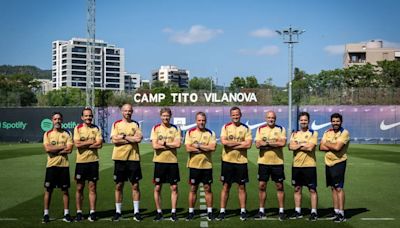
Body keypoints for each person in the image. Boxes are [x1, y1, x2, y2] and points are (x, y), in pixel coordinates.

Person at [216, 107, 252, 221]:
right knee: (226, 186)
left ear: (240, 115)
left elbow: (248, 145)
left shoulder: (246, 128)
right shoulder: (225, 127)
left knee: (241, 187)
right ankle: (222, 211)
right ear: (230, 116)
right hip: (227, 161)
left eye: (237, 114)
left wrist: (233, 144)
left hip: (241, 162)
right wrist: (240, 143)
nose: (235, 116)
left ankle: (243, 210)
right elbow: (224, 143)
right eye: (233, 115)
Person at [110, 104, 143, 222]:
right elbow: (114, 140)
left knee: (135, 185)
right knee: (119, 185)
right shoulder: (116, 124)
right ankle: (118, 212)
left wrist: (122, 137)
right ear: (122, 112)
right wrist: (130, 138)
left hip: (133, 158)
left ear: (132, 112)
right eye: (125, 111)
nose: (127, 113)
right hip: (120, 159)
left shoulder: (135, 124)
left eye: (129, 111)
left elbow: (138, 139)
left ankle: (136, 212)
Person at [254, 111, 287, 221]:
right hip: (263, 162)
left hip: (277, 163)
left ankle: (281, 211)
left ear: (275, 118)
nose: (271, 119)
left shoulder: (281, 129)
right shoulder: (260, 129)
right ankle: (261, 210)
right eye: (269, 117)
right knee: (262, 186)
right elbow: (258, 144)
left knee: (279, 186)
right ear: (266, 118)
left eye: (272, 117)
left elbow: (282, 143)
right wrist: (274, 144)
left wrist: (267, 144)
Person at [151, 107, 182, 222]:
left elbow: (178, 144)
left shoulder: (175, 128)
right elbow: (155, 146)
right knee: (158, 187)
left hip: (172, 162)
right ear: (160, 116)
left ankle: (173, 212)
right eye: (163, 115)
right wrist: (170, 144)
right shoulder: (156, 128)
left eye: (167, 116)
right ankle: (159, 212)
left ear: (170, 116)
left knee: (174, 187)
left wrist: (163, 143)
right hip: (159, 162)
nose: (165, 117)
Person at [42, 112, 74, 223]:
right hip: (51, 166)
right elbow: (47, 149)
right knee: (48, 190)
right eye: (55, 119)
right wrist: (62, 147)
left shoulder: (67, 133)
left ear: (62, 120)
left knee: (65, 191)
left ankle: (66, 213)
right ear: (52, 120)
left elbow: (69, 149)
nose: (57, 121)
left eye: (59, 119)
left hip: (63, 166)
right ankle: (46, 214)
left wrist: (54, 148)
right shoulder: (47, 134)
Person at [184, 112, 217, 221]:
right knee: (193, 189)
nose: (201, 122)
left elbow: (212, 148)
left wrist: (197, 146)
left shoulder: (211, 133)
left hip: (207, 166)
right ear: (196, 121)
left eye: (203, 120)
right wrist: (205, 147)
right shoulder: (190, 132)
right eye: (199, 120)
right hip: (194, 165)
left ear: (205, 121)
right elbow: (188, 148)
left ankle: (210, 212)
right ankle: (191, 212)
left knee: (208, 189)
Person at [73, 107, 103, 222]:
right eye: (86, 116)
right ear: (82, 117)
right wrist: (91, 142)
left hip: (93, 161)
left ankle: (92, 212)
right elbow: (77, 144)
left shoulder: (96, 128)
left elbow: (99, 144)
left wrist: (84, 143)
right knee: (79, 187)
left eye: (90, 116)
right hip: (81, 162)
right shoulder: (78, 128)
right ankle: (79, 212)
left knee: (92, 187)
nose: (88, 118)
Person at [319, 113, 350, 223]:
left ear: (341, 122)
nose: (335, 123)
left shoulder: (344, 132)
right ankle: (336, 211)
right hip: (328, 163)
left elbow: (338, 148)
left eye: (337, 121)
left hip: (339, 162)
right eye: (333, 121)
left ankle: (342, 214)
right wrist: (330, 145)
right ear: (331, 122)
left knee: (339, 188)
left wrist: (327, 143)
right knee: (332, 187)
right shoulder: (327, 132)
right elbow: (320, 147)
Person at [288, 112, 319, 221]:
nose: (303, 122)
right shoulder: (294, 133)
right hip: (296, 165)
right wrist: (304, 144)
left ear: (308, 121)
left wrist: (298, 145)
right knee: (297, 188)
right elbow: (290, 147)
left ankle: (314, 212)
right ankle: (297, 211)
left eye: (305, 120)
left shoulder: (313, 133)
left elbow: (311, 148)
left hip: (310, 165)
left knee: (312, 189)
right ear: (299, 121)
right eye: (301, 120)